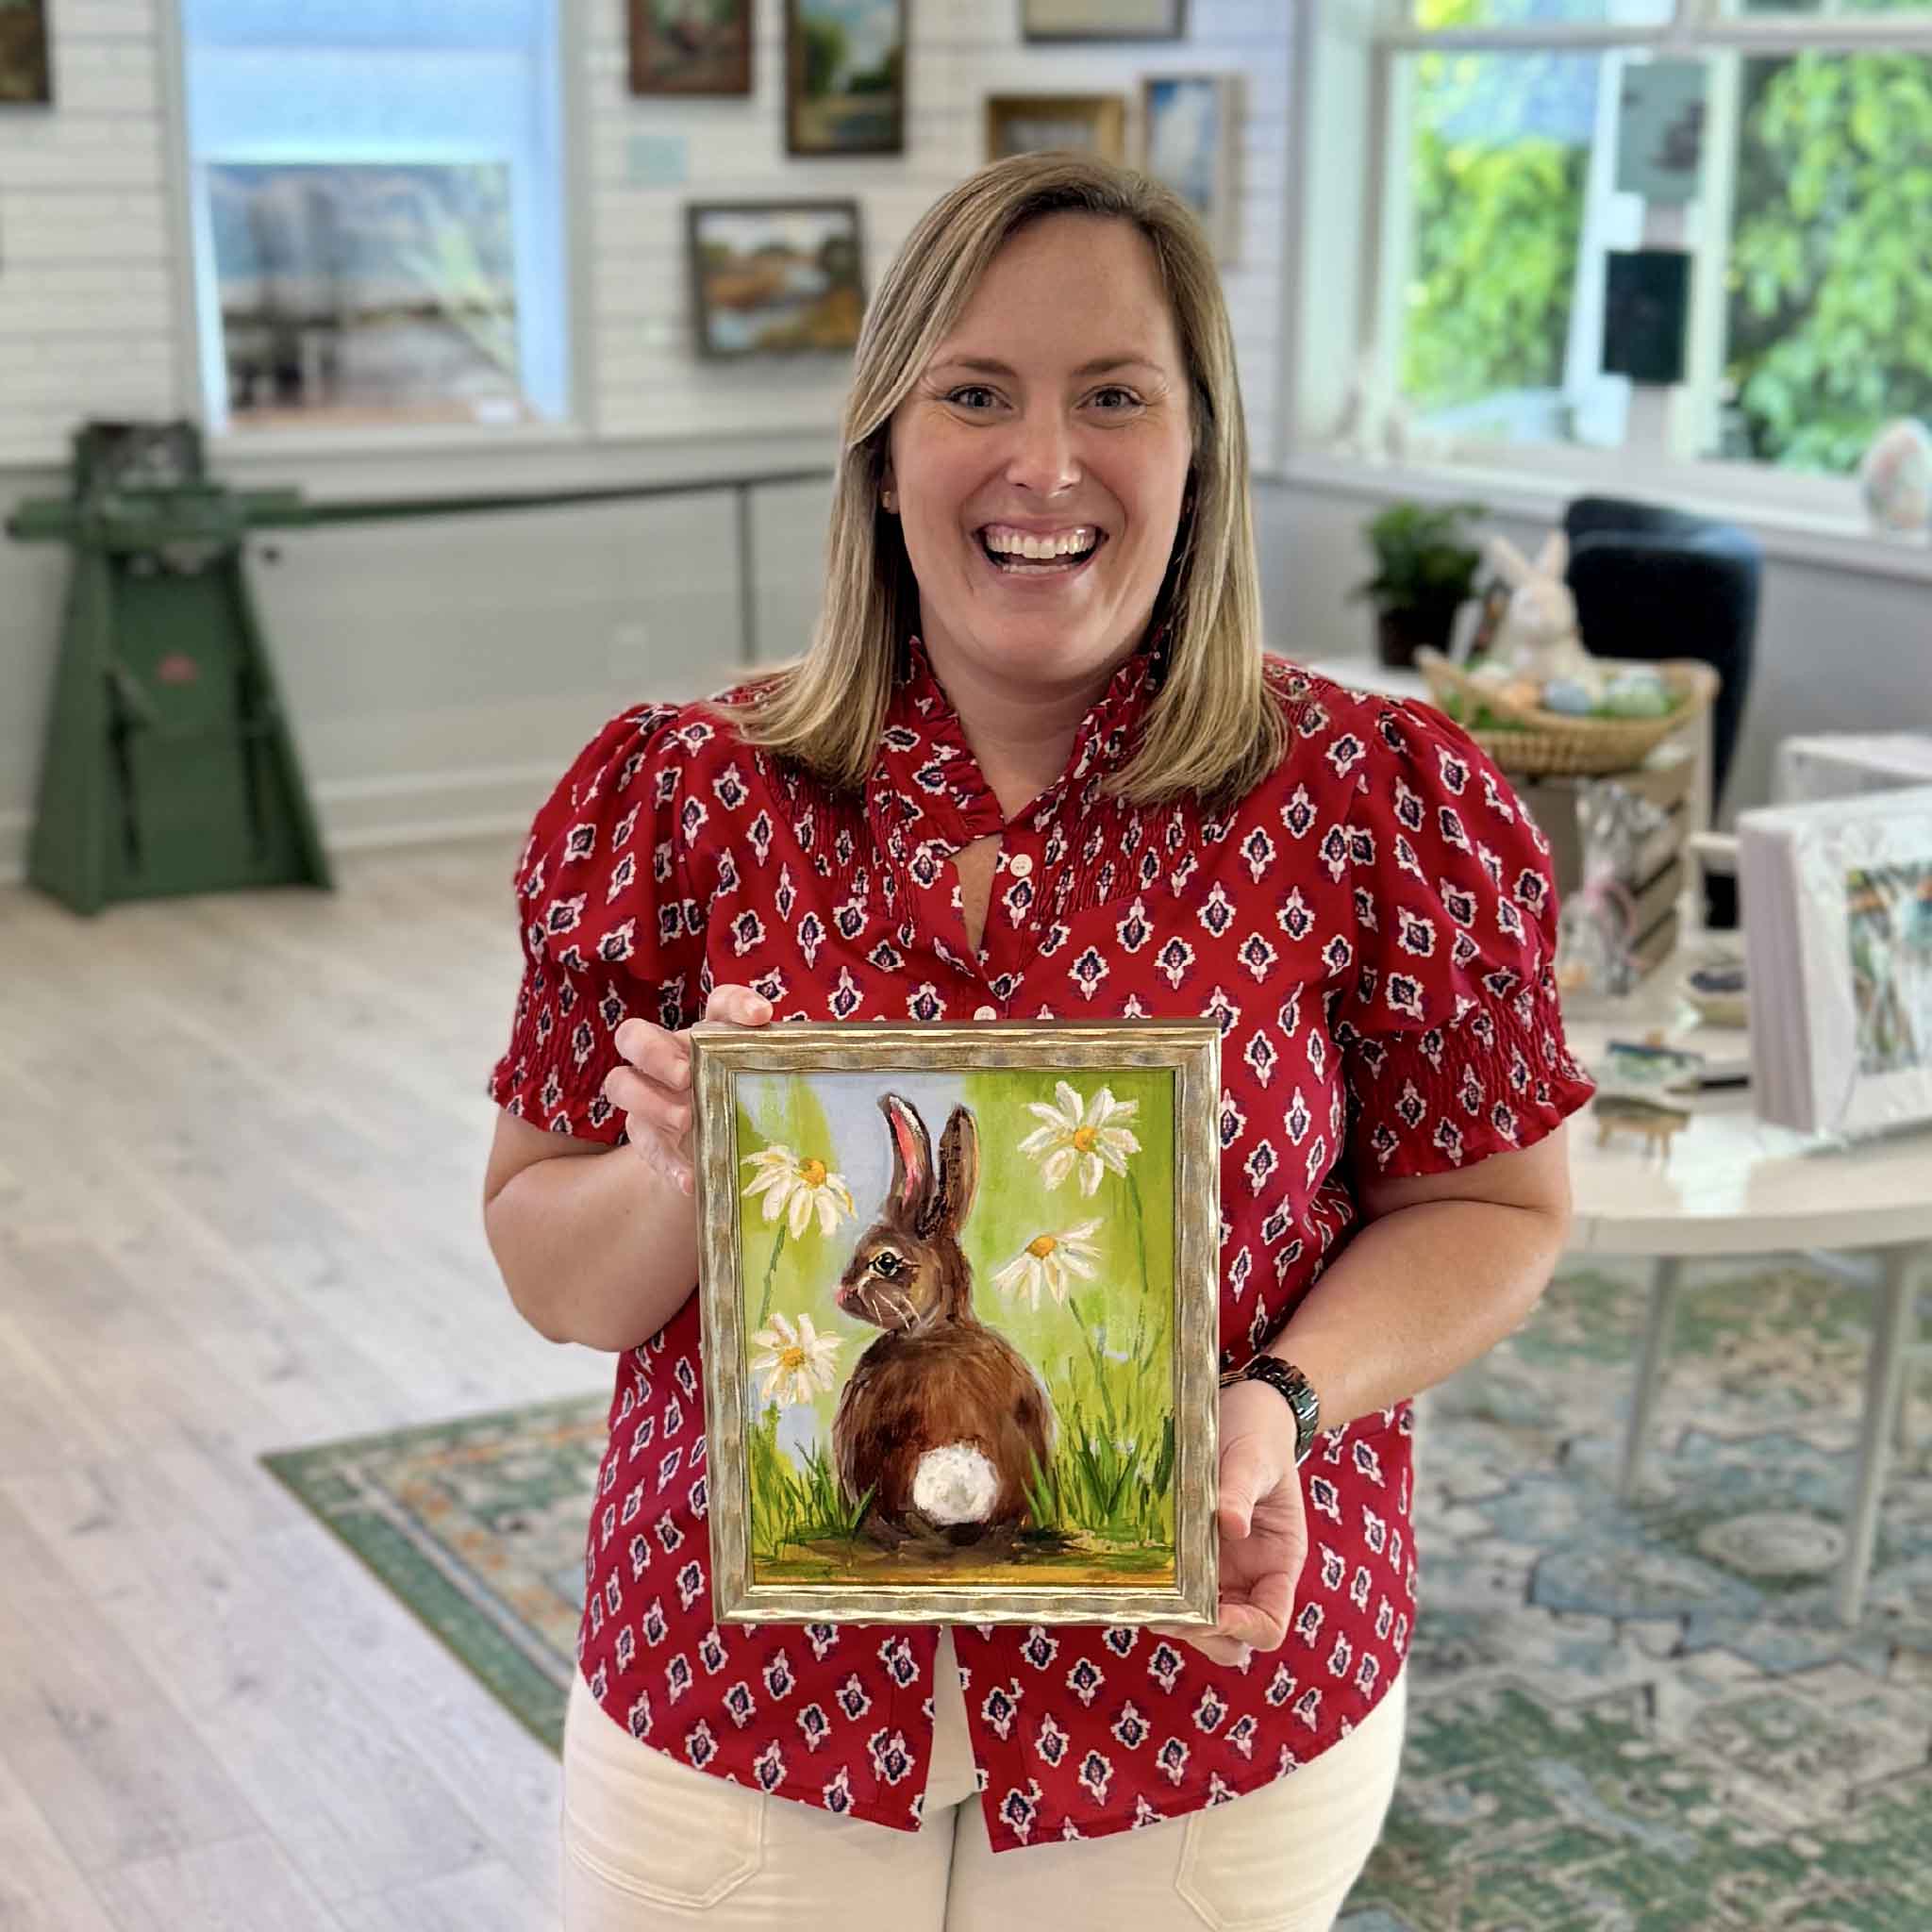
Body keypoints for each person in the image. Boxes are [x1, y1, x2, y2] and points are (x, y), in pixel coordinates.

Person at [482, 153, 1594, 1932]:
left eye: (1116, 397)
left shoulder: (1375, 801)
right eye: (976, 392)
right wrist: (665, 1172)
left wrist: (1277, 1407)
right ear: (885, 441)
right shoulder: (685, 793)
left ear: (1201, 447)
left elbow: (1501, 1212)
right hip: (741, 1711)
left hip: (1201, 1714)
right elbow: (555, 1277)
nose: (1046, 465)